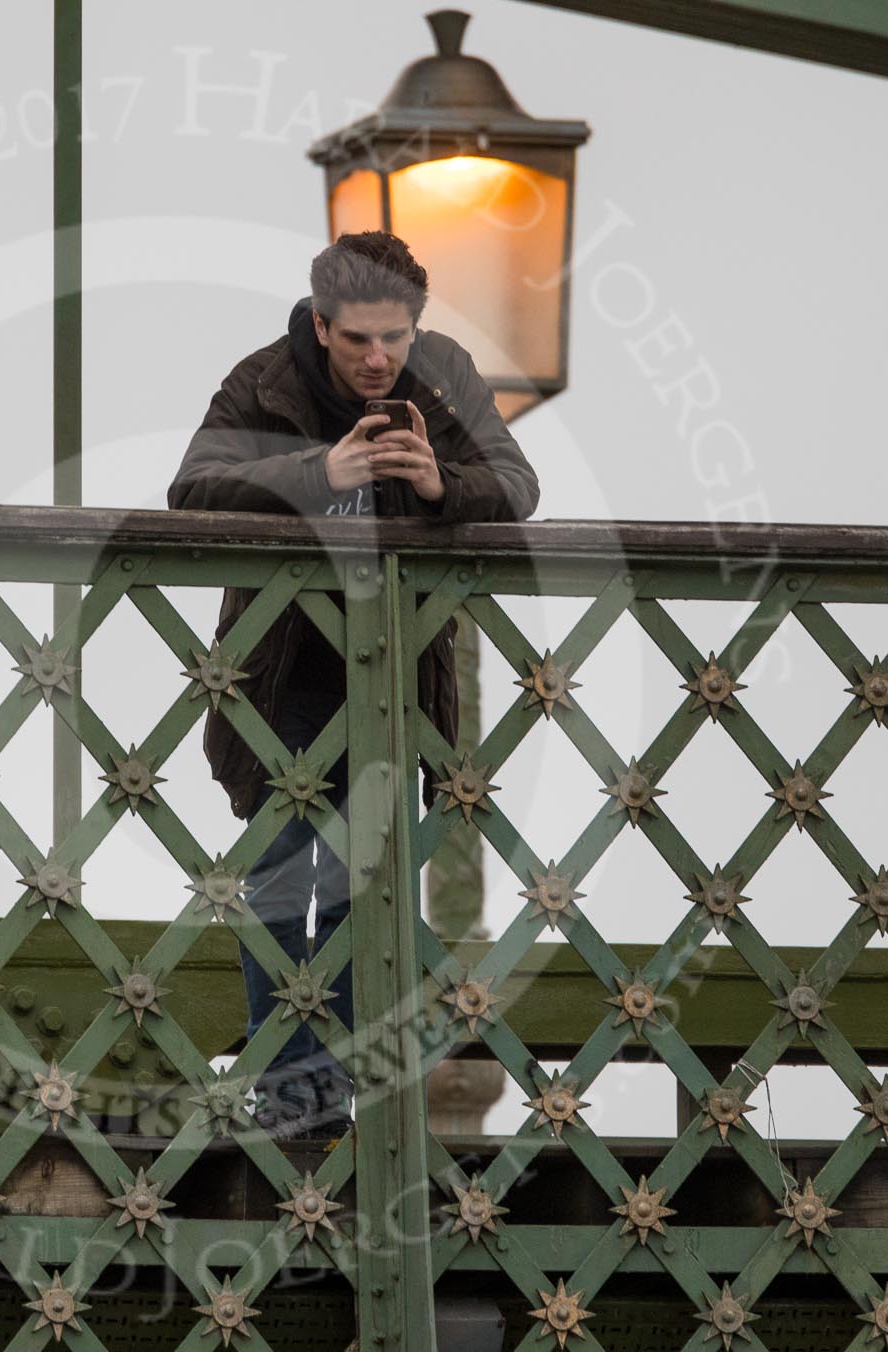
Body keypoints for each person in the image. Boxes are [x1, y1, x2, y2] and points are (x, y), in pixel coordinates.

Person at [167, 230, 538, 1139]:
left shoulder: (442, 376)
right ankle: (289, 1099)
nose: (379, 360)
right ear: (321, 324)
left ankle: (328, 1104)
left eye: (395, 339)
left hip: (397, 668)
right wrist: (316, 474)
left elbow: (518, 487)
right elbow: (191, 492)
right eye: (358, 340)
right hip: (279, 665)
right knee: (279, 873)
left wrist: (440, 484)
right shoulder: (262, 381)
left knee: (362, 884)